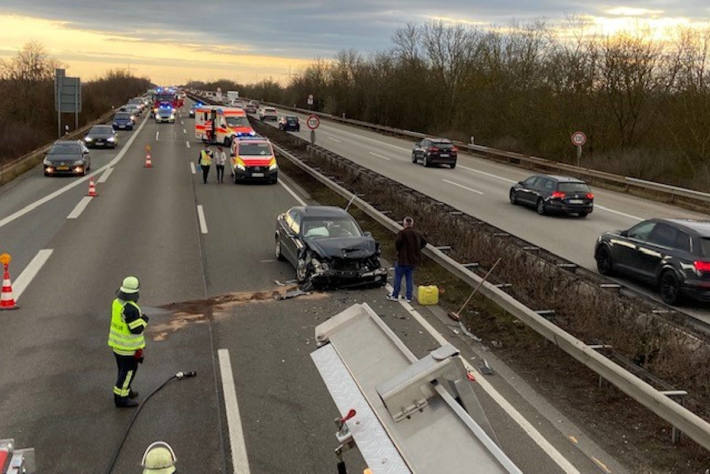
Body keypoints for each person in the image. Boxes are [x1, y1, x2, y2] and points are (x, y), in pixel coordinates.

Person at [108, 276, 149, 408]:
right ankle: (121, 398)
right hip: (128, 349)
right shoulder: (131, 308)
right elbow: (136, 329)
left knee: (122, 371)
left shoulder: (116, 303)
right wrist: (144, 320)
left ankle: (127, 390)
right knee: (129, 371)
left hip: (117, 347)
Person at [387, 217, 427, 303]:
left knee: (398, 277)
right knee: (409, 278)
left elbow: (397, 244)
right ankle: (409, 297)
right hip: (413, 260)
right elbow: (424, 242)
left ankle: (395, 295)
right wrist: (417, 249)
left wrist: (400, 251)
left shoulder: (402, 233)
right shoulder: (417, 233)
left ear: (404, 224)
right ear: (412, 224)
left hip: (402, 260)